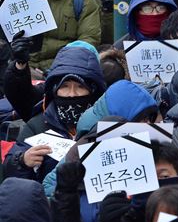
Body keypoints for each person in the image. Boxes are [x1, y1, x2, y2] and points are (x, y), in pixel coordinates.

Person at [3, 45, 106, 182]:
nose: (71, 94)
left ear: (93, 91)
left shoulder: (107, 125)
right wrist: (22, 161)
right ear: (54, 90)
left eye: (80, 87)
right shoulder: (38, 125)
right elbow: (10, 174)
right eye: (64, 86)